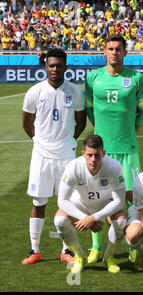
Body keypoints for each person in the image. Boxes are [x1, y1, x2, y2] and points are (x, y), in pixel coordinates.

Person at [84, 34, 143, 264]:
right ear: (104, 51)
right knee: (99, 198)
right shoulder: (93, 77)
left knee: (132, 196)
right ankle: (96, 246)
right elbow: (89, 109)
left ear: (125, 52)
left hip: (128, 148)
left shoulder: (136, 79)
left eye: (118, 49)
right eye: (110, 48)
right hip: (102, 150)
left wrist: (133, 128)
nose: (114, 52)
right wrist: (100, 131)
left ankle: (134, 244)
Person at [21, 48, 86, 265]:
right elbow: (26, 123)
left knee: (66, 202)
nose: (55, 69)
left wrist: (70, 141)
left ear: (65, 67)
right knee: (39, 202)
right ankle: (34, 249)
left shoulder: (76, 92)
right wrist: (37, 142)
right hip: (41, 156)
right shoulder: (35, 92)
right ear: (46, 67)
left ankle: (66, 249)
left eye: (59, 65)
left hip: (66, 156)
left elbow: (81, 122)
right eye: (51, 65)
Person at [54, 134, 127, 274]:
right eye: (89, 155)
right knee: (59, 220)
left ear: (103, 153)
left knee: (121, 221)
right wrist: (85, 218)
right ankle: (80, 256)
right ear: (83, 153)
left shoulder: (114, 166)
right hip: (82, 204)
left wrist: (93, 218)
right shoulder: (73, 166)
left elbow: (119, 201)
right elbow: (62, 200)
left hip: (106, 203)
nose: (93, 159)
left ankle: (108, 257)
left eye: (97, 155)